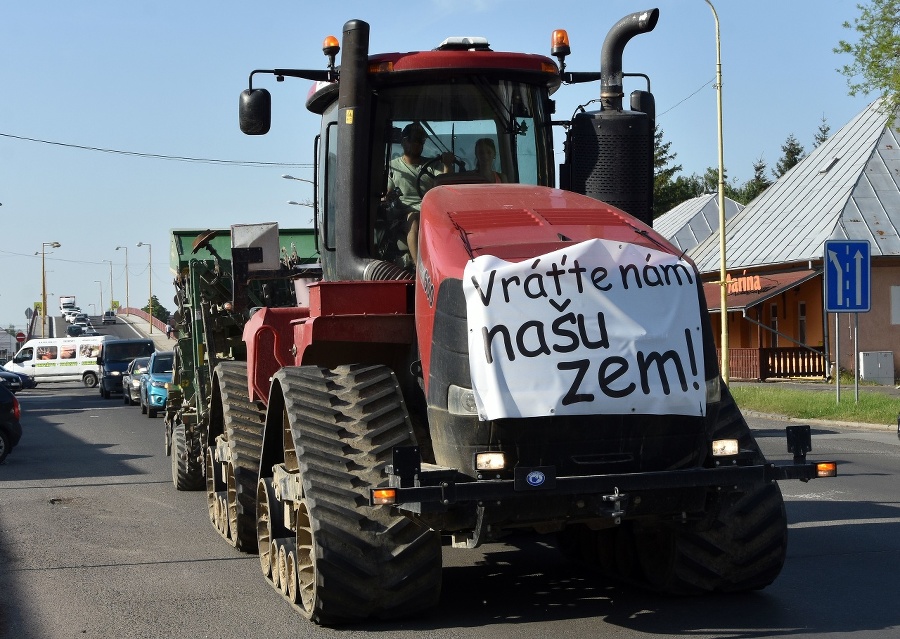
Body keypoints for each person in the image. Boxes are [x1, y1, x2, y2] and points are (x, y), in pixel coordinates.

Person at [384, 122, 455, 265]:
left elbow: (445, 184)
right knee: (414, 219)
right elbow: (387, 192)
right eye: (413, 140)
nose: (417, 144)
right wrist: (387, 195)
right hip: (404, 213)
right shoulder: (393, 167)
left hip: (431, 210)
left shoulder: (432, 165)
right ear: (404, 142)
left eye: (420, 141)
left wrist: (447, 165)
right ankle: (419, 267)